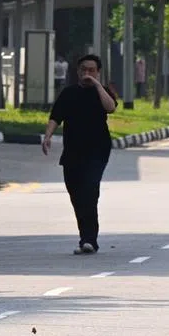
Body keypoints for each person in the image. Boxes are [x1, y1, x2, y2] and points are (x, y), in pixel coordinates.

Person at [42, 54, 118, 255]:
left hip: (97, 151)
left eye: (91, 70)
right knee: (76, 194)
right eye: (83, 69)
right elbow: (55, 116)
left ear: (98, 72)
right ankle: (85, 236)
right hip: (73, 151)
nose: (87, 73)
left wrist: (97, 85)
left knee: (90, 192)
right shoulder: (69, 93)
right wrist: (47, 136)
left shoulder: (103, 92)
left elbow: (110, 107)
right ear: (77, 71)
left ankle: (89, 240)